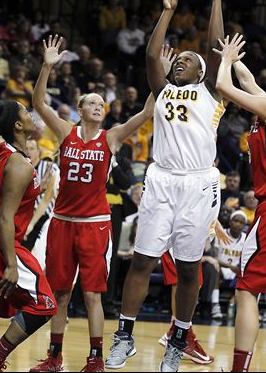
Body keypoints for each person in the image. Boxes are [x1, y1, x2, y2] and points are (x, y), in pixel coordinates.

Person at [106, 0, 228, 373]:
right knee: (142, 260)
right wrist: (167, 11)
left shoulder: (210, 92)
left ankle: (179, 338)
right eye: (180, 60)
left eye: (190, 62)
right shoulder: (162, 91)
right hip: (161, 178)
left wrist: (214, 0)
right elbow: (149, 55)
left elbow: (214, 46)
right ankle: (124, 335)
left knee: (191, 267)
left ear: (202, 73)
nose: (182, 63)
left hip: (197, 184)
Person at [29, 34, 155, 372]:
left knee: (92, 295)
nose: (99, 106)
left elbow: (145, 113)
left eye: (102, 103)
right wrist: (46, 66)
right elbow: (39, 102)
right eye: (92, 102)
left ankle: (95, 359)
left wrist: (158, 73)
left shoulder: (111, 137)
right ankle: (54, 357)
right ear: (81, 108)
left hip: (94, 225)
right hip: (62, 222)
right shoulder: (65, 130)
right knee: (60, 293)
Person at [213, 33, 266, 372]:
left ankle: (239, 368)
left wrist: (225, 63)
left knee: (247, 288)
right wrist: (232, 54)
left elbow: (226, 87)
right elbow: (248, 81)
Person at [0, 101, 57, 372]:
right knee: (44, 303)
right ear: (18, 125)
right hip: (0, 244)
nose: (32, 115)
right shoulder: (19, 164)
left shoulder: (2, 152)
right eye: (26, 113)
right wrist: (11, 264)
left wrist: (37, 188)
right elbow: (6, 216)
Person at [159, 220, 230, 365]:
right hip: (178, 228)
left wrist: (214, 223)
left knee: (195, 283)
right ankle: (181, 334)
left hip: (196, 227)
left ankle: (176, 332)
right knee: (181, 282)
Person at [22, 139, 60, 271]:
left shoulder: (50, 168)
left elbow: (46, 200)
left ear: (39, 151)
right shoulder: (20, 168)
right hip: (25, 217)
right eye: (26, 148)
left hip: (45, 218)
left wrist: (30, 224)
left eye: (32, 148)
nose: (28, 152)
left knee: (40, 262)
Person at [211, 210, 247, 319]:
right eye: (236, 221)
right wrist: (229, 266)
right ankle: (215, 304)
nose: (238, 224)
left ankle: (237, 305)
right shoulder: (220, 233)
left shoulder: (245, 238)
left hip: (236, 271)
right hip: (221, 268)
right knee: (214, 269)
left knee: (247, 274)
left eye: (241, 222)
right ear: (230, 222)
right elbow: (215, 257)